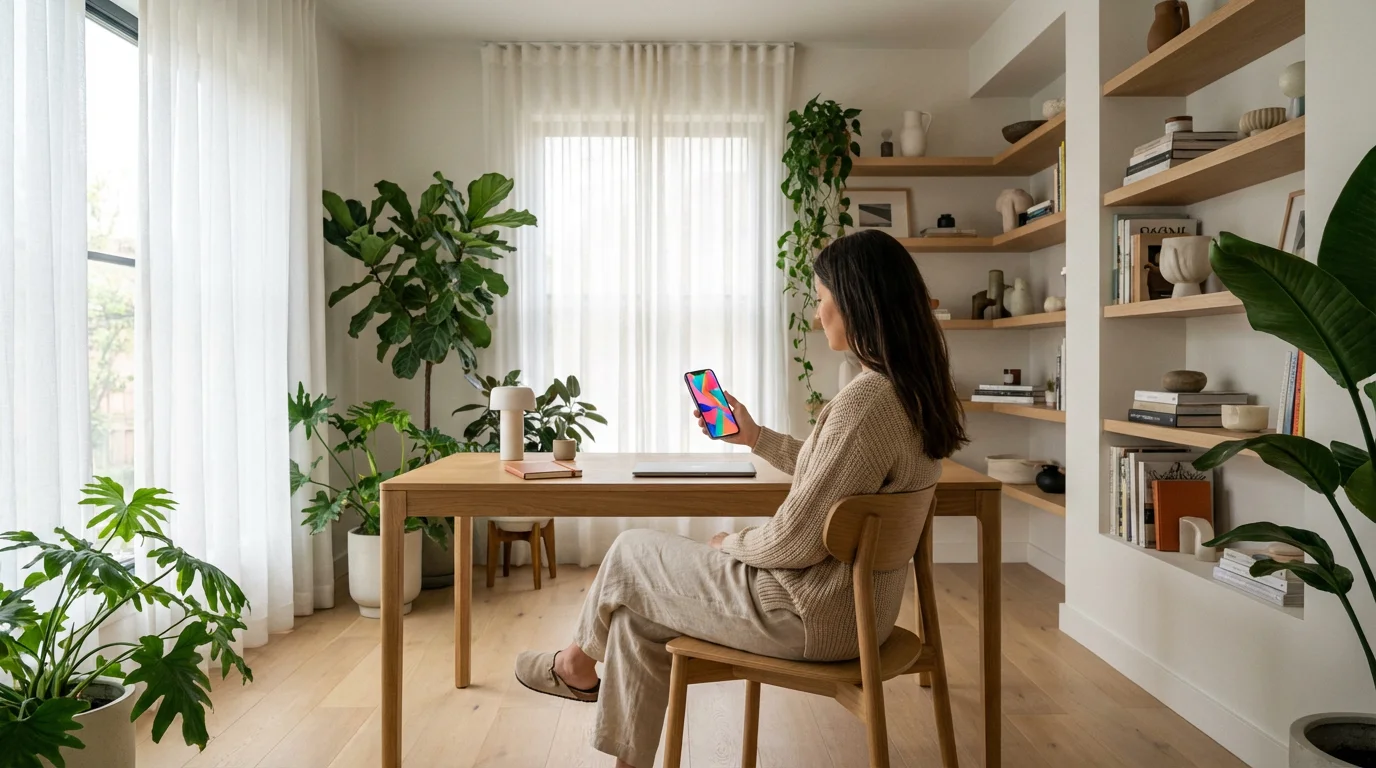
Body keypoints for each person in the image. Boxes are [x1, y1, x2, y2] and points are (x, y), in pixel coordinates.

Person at [513, 228, 969, 768]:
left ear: (856, 304)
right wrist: (756, 438)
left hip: (808, 615)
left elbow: (798, 537)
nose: (817, 313)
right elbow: (837, 477)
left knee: (629, 550)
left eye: (822, 299)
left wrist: (734, 544)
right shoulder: (912, 392)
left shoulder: (866, 399)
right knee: (636, 618)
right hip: (858, 617)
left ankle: (574, 666)